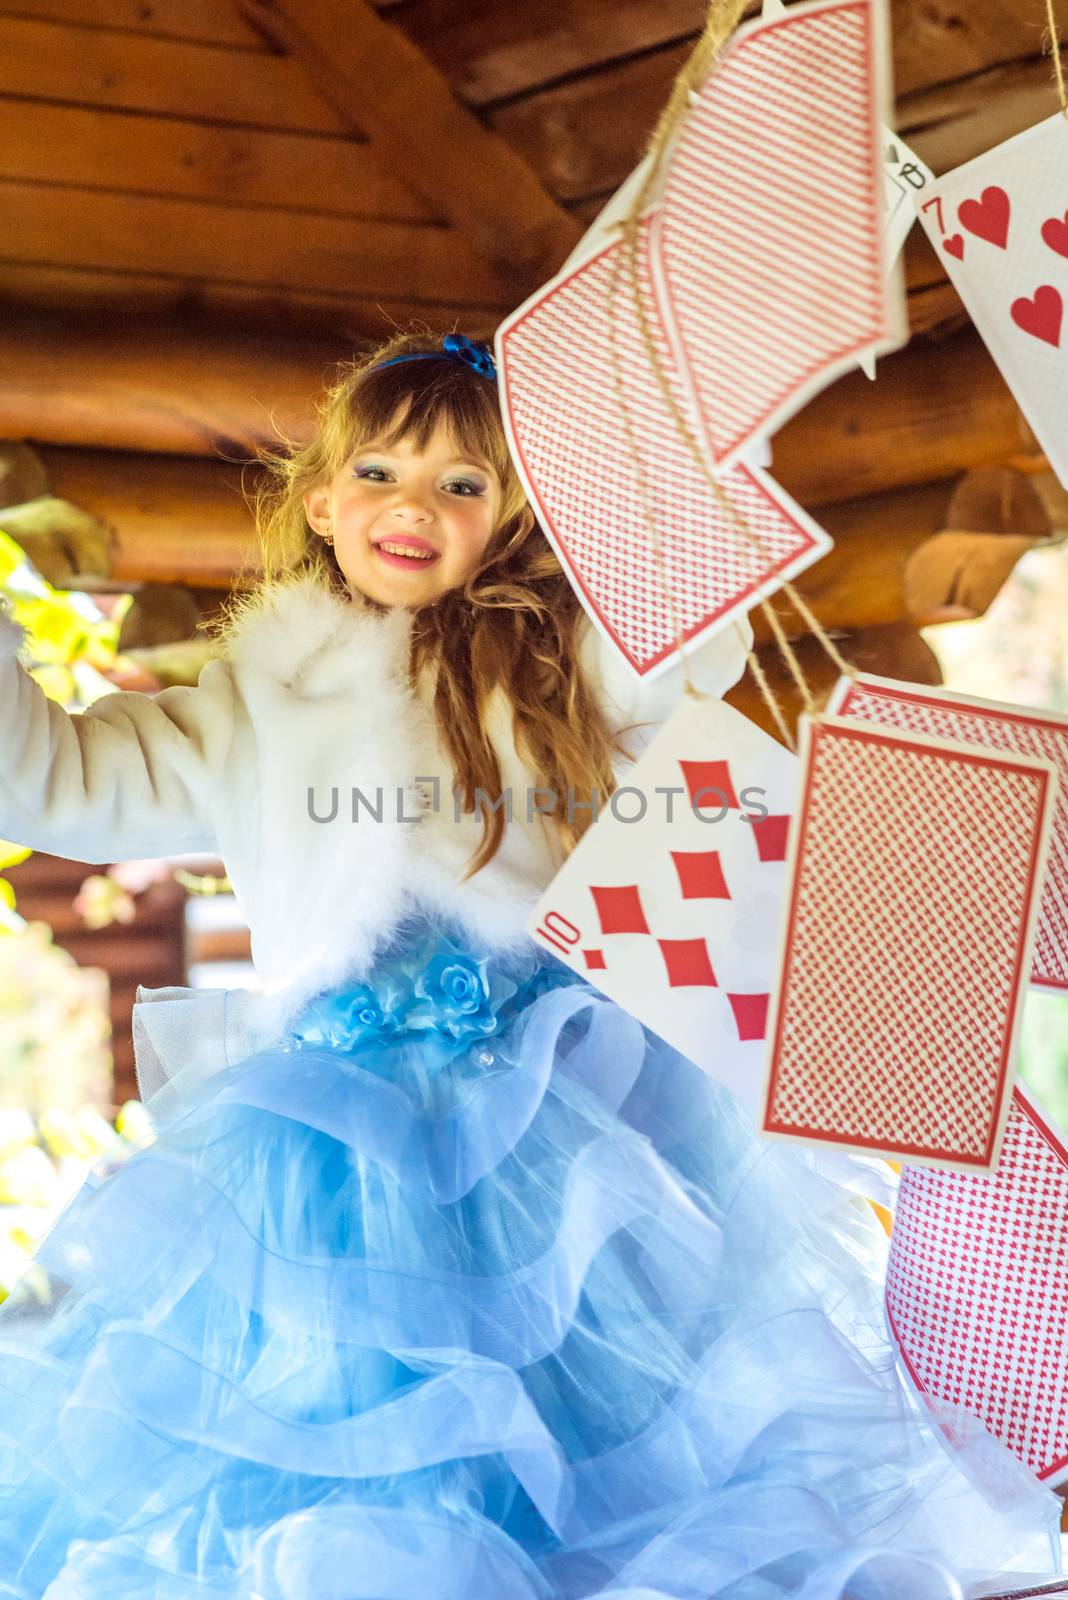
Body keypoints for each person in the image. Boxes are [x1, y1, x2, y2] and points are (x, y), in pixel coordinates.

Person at [0, 330, 1059, 1600]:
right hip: (337, 1150)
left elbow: (687, 639)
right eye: (383, 474)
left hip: (567, 1117)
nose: (415, 508)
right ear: (324, 501)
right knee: (372, 1452)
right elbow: (50, 779)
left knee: (609, 1441)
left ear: (511, 520)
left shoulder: (564, 666)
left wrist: (665, 470)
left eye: (465, 484)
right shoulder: (249, 701)